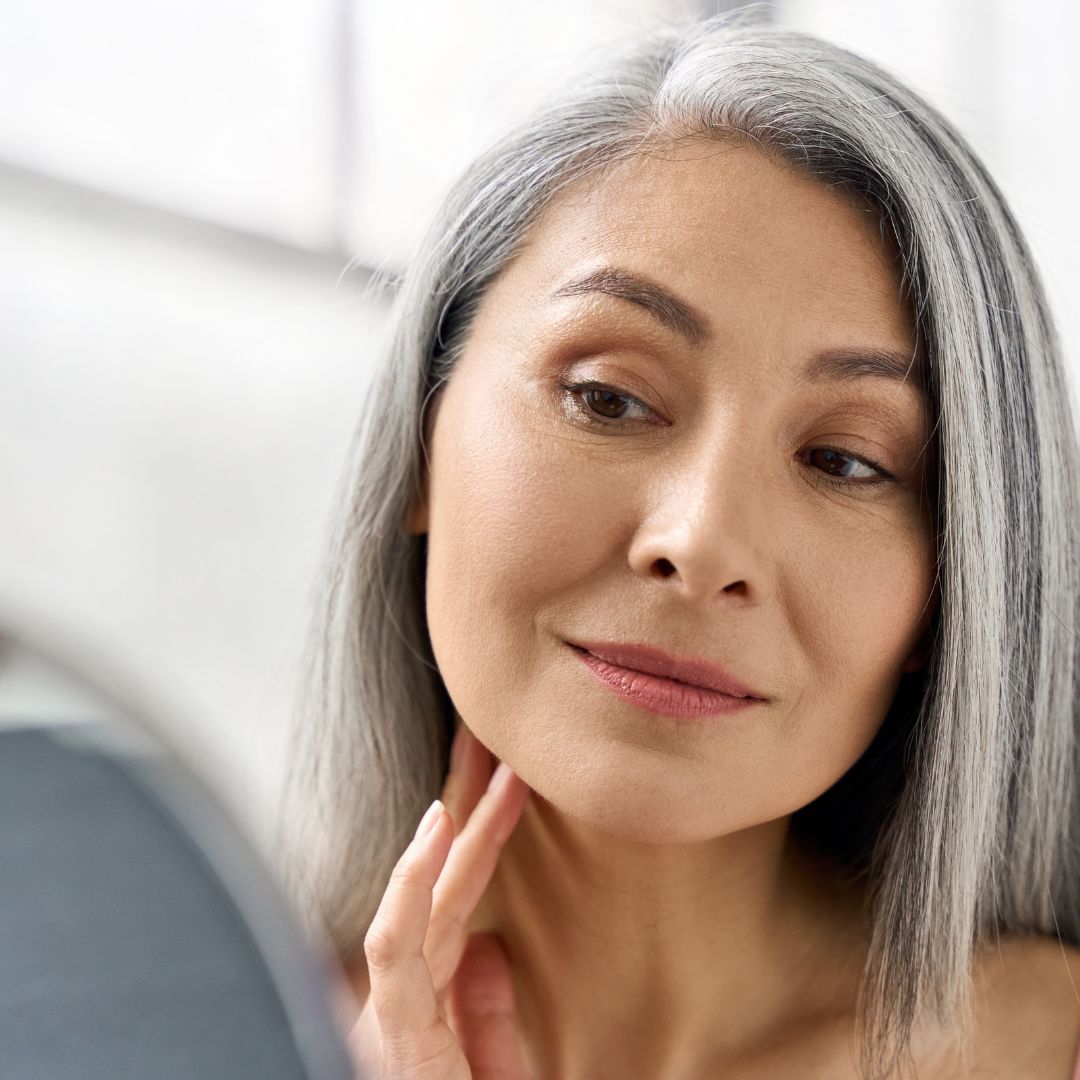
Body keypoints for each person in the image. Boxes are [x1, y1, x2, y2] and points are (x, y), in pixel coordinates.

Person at [275, 12, 1080, 1079]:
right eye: (607, 399)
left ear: (952, 593)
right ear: (422, 441)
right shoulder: (150, 1026)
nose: (699, 543)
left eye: (845, 462)